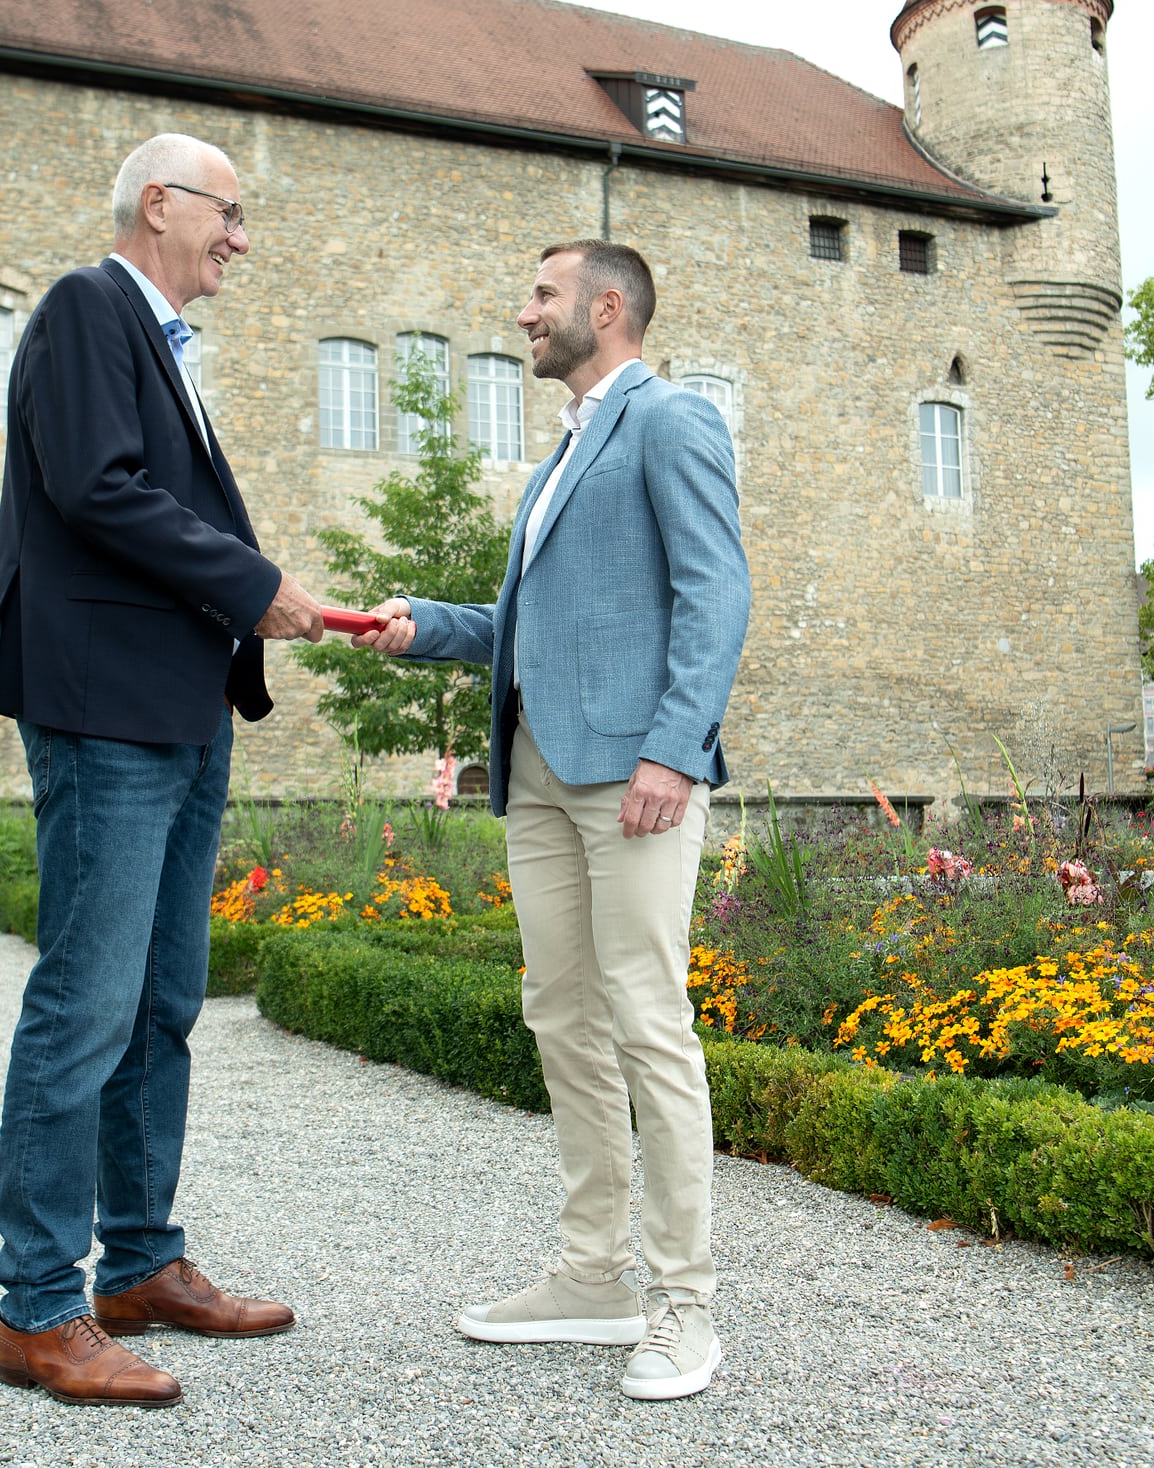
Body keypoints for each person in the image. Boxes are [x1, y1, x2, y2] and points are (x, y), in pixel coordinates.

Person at [0, 132, 324, 1409]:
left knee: (162, 999)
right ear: (158, 203)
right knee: (86, 999)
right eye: (230, 213)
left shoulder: (160, 342)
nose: (241, 239)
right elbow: (97, 490)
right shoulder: (85, 307)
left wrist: (238, 608)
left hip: (178, 703)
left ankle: (139, 1264)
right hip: (103, 706)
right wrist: (254, 582)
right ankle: (37, 1306)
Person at [355, 240, 749, 1402]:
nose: (524, 312)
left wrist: (674, 747)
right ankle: (592, 1275)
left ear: (606, 306)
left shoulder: (669, 420)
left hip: (634, 773)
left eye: (542, 294)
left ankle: (683, 1303)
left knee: (646, 1021)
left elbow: (716, 591)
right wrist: (426, 625)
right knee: (562, 1017)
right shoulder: (562, 455)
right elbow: (539, 627)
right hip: (535, 773)